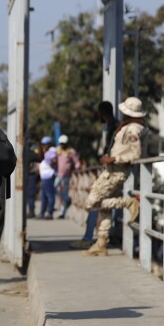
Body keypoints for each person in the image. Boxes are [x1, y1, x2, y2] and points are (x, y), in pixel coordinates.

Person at [82, 97, 146, 256]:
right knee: (104, 207)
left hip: (116, 171)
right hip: (112, 170)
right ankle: (101, 242)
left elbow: (135, 154)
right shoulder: (127, 126)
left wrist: (113, 159)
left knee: (91, 203)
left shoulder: (133, 129)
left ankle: (128, 203)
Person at [70, 101, 118, 250]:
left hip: (113, 171)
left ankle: (90, 238)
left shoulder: (115, 127)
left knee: (95, 202)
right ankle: (98, 238)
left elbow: (115, 151)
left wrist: (107, 158)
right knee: (102, 204)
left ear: (101, 113)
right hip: (110, 170)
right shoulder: (112, 126)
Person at [55, 134, 81, 219]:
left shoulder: (70, 151)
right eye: (61, 143)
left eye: (63, 143)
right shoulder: (57, 151)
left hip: (66, 176)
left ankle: (62, 212)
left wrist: (77, 168)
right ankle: (66, 198)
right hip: (58, 174)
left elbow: (76, 162)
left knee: (65, 192)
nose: (62, 145)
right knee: (54, 187)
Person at [38, 136, 57, 219]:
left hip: (49, 175)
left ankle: (50, 213)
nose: (44, 146)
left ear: (49, 144)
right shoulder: (45, 151)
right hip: (45, 176)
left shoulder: (52, 150)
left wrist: (51, 163)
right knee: (44, 196)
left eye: (45, 144)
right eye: (43, 144)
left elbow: (54, 160)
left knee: (49, 195)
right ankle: (42, 213)